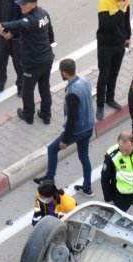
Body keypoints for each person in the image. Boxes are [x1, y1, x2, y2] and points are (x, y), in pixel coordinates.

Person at [36, 58, 94, 196]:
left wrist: (65, 140)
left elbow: (72, 120)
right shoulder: (84, 80)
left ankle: (49, 180)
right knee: (84, 156)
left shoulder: (72, 92)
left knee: (52, 149)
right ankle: (87, 187)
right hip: (89, 126)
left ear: (64, 72)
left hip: (78, 130)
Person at [0, 0, 55, 125]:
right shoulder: (44, 13)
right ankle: (46, 115)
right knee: (44, 89)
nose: (21, 6)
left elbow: (18, 24)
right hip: (46, 59)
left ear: (33, 3)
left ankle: (28, 116)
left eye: (24, 4)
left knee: (27, 91)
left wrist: (2, 25)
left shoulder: (31, 20)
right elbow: (50, 33)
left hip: (32, 64)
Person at [96, 0, 130, 120]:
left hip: (119, 44)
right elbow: (106, 25)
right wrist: (120, 11)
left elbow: (126, 20)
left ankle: (110, 99)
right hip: (106, 45)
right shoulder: (104, 3)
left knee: (114, 74)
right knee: (104, 75)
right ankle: (100, 104)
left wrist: (128, 37)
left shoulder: (125, 2)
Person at [0, 0, 21, 96]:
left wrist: (13, 33)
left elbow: (25, 16)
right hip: (1, 33)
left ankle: (21, 86)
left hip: (17, 35)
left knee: (19, 64)